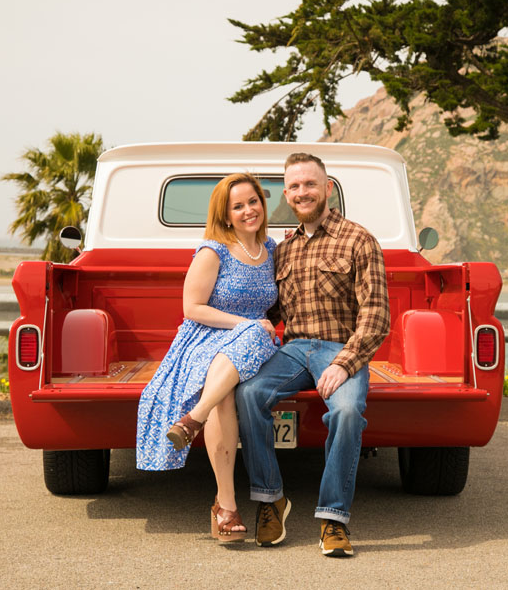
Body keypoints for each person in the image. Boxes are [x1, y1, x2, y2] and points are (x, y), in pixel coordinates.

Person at [236, 152, 390, 558]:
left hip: (342, 348)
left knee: (346, 411)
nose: (302, 192)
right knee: (249, 394)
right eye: (294, 187)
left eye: (310, 184)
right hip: (294, 351)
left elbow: (376, 317)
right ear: (286, 194)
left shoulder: (359, 239)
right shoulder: (283, 250)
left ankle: (333, 519)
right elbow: (270, 310)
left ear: (328, 189)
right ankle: (270, 501)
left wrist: (344, 363)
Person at [136, 173, 279, 542]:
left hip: (251, 342)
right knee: (224, 395)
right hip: (204, 339)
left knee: (251, 339)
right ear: (225, 215)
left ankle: (193, 419)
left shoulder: (273, 251)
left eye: (254, 201)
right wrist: (246, 324)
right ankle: (227, 506)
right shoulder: (212, 250)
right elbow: (192, 308)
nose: (249, 210)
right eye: (238, 206)